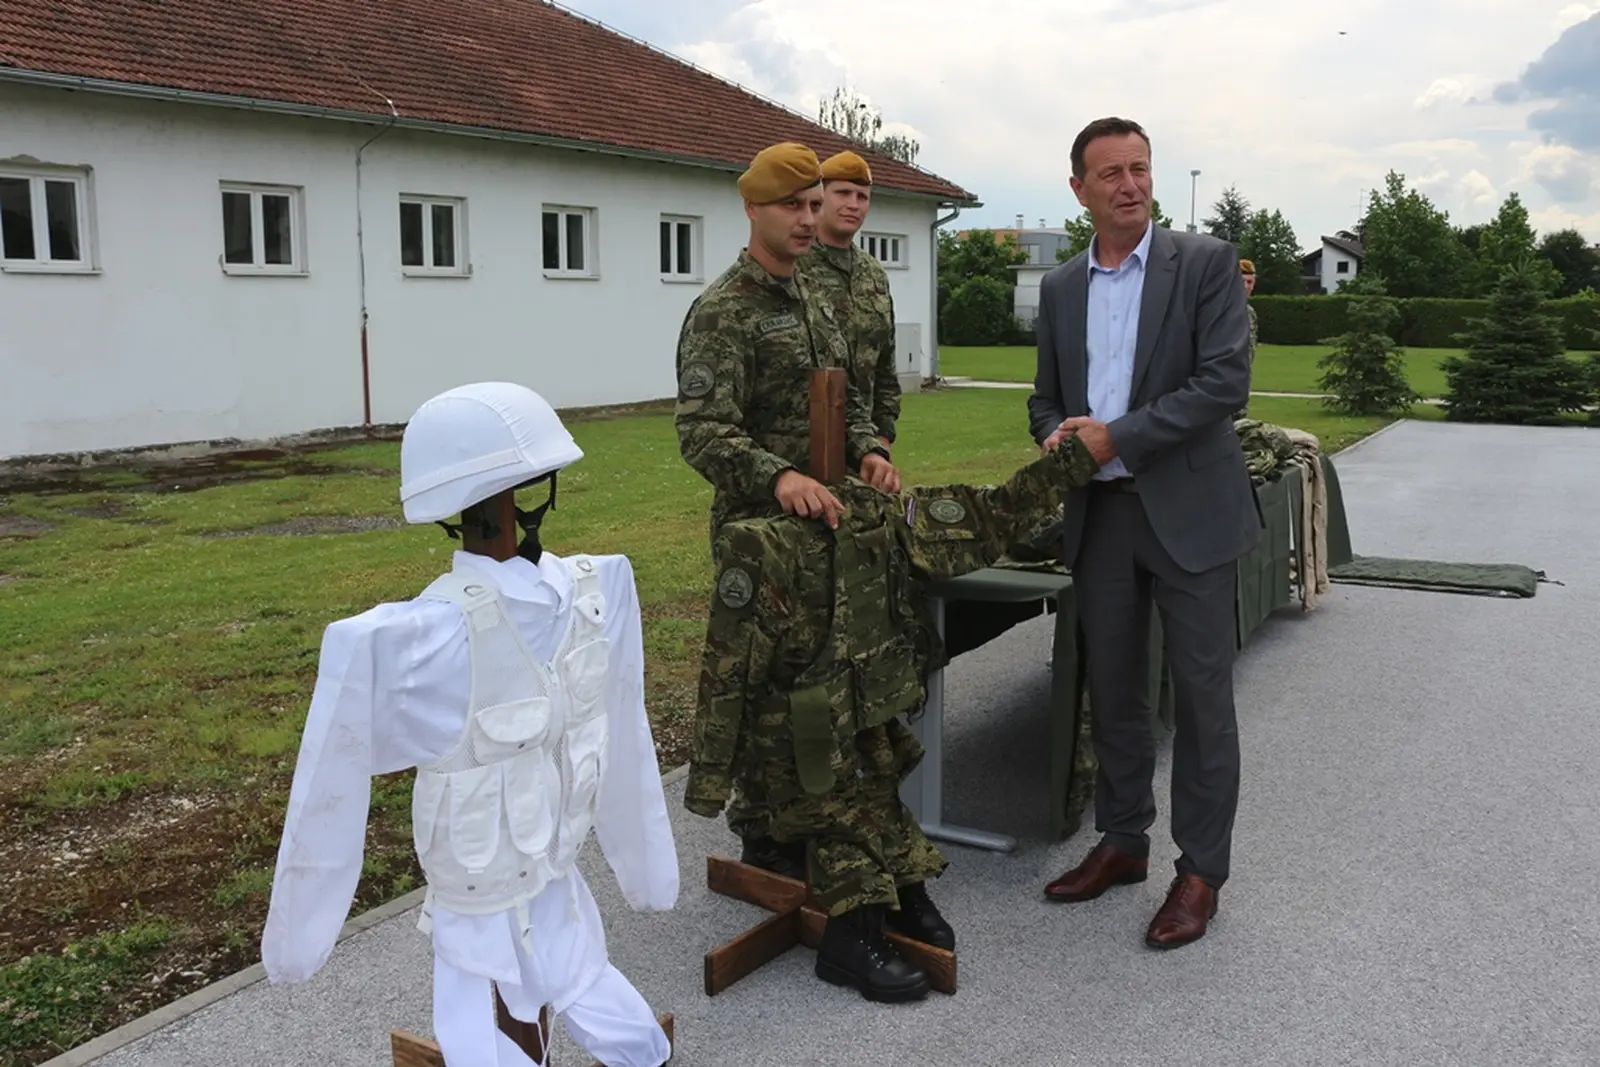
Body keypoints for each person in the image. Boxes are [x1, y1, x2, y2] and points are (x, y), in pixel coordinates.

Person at [261, 382, 678, 1066]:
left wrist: (295, 944)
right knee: (572, 967)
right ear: (538, 488)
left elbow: (325, 789)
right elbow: (626, 734)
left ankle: (626, 1048)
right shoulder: (595, 591)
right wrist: (647, 869)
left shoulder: (416, 637)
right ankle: (643, 1051)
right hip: (538, 859)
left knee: (480, 1007)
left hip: (487, 880)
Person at [685, 432, 1103, 1001]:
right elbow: (727, 670)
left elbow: (988, 515)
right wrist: (709, 781)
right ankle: (849, 937)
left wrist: (866, 449)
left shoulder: (878, 516)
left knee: (875, 789)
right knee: (836, 810)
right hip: (796, 732)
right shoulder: (760, 548)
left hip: (855, 711)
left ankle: (898, 890)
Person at [1026, 116, 1260, 950]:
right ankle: (1124, 840)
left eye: (1140, 169)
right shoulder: (1059, 289)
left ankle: (1200, 871)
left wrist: (1115, 436)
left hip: (1190, 514)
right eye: (1111, 173)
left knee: (1201, 701)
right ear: (1079, 189)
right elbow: (1045, 400)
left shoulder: (1202, 262)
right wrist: (1058, 435)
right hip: (1104, 518)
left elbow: (1223, 384)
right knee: (1113, 692)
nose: (1130, 184)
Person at [674, 141, 899, 880]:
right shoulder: (721, 312)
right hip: (761, 536)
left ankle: (801, 821)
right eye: (792, 207)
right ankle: (762, 833)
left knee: (814, 685)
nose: (807, 221)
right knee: (763, 691)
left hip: (824, 529)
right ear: (752, 208)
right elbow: (703, 432)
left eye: (812, 206)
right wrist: (779, 478)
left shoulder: (816, 300)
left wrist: (867, 449)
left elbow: (847, 396)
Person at [798, 149, 902, 462]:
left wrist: (883, 431)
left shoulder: (873, 273)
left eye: (862, 196)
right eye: (842, 193)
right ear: (820, 197)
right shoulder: (795, 264)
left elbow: (885, 360)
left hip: (867, 448)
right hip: (804, 445)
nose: (853, 204)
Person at [1236, 258, 1259, 419]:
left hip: (1243, 380)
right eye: (1242, 281)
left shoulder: (1250, 313)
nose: (1246, 287)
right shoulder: (1220, 309)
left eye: (1250, 282)